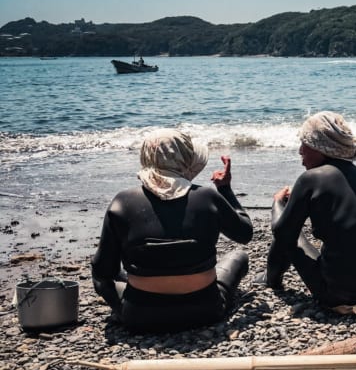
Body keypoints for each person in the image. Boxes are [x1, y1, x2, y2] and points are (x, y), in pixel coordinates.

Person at [91, 128, 253, 332]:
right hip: (206, 310)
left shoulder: (122, 202)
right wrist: (225, 189)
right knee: (239, 256)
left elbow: (103, 271)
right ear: (185, 158)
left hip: (139, 315)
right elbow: (245, 234)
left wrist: (122, 304)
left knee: (105, 270)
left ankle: (125, 308)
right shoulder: (207, 197)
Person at [260, 111, 356, 308]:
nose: (300, 151)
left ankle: (272, 280)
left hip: (343, 294)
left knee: (288, 233)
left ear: (320, 148)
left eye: (305, 144)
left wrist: (278, 202)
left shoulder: (310, 179)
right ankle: (271, 278)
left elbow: (282, 232)